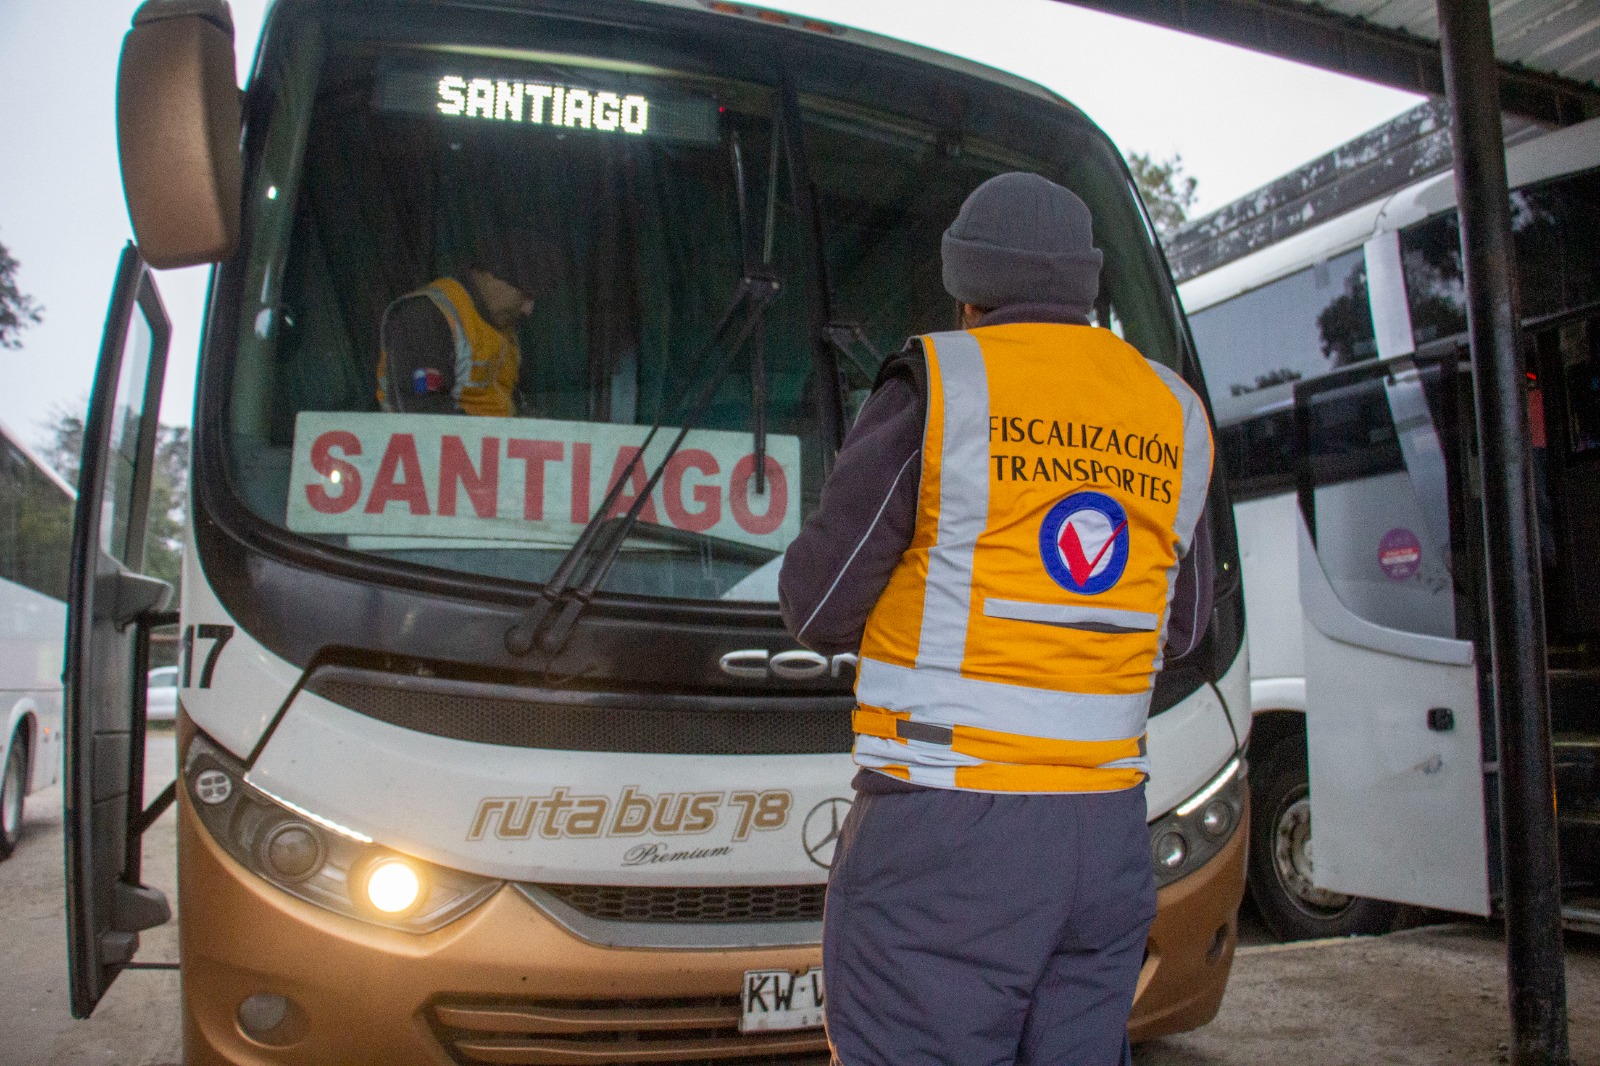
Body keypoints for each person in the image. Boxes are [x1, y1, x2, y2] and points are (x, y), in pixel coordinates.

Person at [778, 171, 1214, 1066]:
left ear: (965, 285)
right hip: (1107, 835)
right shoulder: (1171, 410)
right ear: (1088, 285)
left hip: (947, 833)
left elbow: (816, 607)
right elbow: (1186, 624)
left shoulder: (940, 385)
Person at [375, 239, 544, 416]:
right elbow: (419, 412)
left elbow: (503, 398)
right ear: (489, 277)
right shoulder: (429, 314)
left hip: (492, 437)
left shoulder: (503, 326)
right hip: (440, 440)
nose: (528, 309)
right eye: (525, 295)